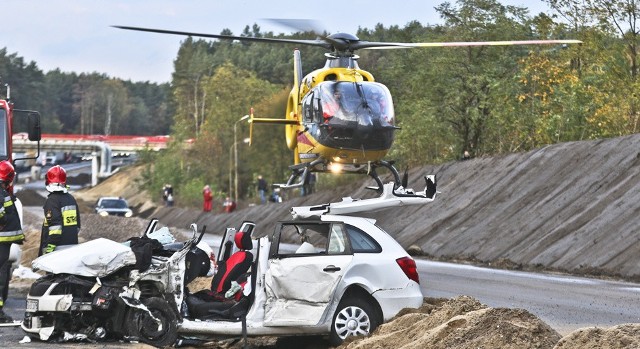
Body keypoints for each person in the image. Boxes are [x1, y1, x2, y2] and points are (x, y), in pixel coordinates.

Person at [0, 161, 23, 323]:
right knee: (1, 276)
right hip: (2, 240)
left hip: (4, 240)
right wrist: (4, 219)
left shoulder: (3, 191)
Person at [40, 165, 81, 257]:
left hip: (56, 250)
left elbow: (55, 229)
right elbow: (77, 226)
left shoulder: (52, 200)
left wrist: (49, 250)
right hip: (72, 247)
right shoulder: (71, 199)